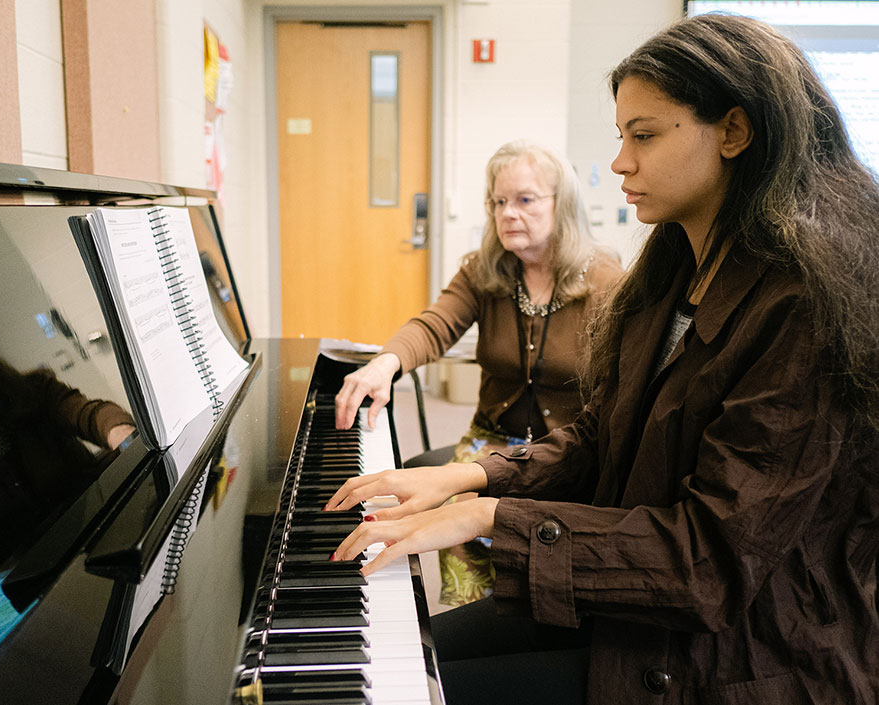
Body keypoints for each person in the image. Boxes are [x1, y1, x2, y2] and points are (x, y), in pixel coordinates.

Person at [326, 13, 879, 705]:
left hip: (739, 654)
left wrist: (488, 515)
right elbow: (601, 431)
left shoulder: (802, 305)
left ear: (733, 132)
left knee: (409, 688)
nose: (618, 161)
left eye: (642, 135)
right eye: (621, 136)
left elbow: (706, 562)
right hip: (637, 603)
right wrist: (470, 476)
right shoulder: (672, 266)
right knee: (410, 651)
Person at [334, 141, 622, 605]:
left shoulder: (606, 281)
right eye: (498, 201)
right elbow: (436, 323)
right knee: (454, 523)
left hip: (565, 454)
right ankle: (467, 624)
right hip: (488, 439)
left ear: (561, 204)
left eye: (525, 200)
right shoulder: (484, 270)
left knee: (533, 563)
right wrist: (387, 362)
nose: (508, 213)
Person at [0, 305, 136, 600]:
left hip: (108, 541)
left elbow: (91, 414)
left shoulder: (34, 389)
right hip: (36, 596)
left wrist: (121, 434)